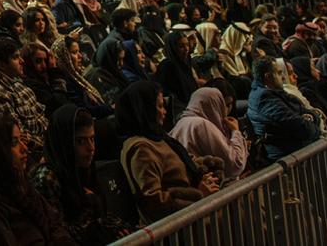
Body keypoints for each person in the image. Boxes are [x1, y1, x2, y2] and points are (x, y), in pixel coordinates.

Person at [0, 113, 71, 246]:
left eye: (21, 140)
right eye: (14, 143)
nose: (25, 149)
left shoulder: (14, 177)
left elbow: (53, 222)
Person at [116, 80, 220, 223]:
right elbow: (154, 203)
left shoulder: (159, 137)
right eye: (159, 106)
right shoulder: (140, 148)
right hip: (180, 225)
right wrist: (199, 194)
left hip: (194, 214)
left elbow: (185, 162)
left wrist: (203, 176)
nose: (164, 111)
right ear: (145, 110)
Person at [31, 106, 133, 245]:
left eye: (92, 139)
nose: (91, 148)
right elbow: (59, 235)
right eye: (80, 141)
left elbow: (101, 216)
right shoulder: (47, 178)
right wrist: (92, 209)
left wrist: (121, 228)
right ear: (65, 143)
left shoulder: (81, 167)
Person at [0, 37, 49, 152]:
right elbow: (21, 140)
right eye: (15, 58)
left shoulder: (13, 80)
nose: (22, 61)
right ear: (2, 65)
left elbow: (40, 114)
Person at [246, 56, 321, 160]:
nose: (284, 77)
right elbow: (302, 129)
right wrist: (315, 127)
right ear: (268, 77)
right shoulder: (264, 99)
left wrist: (312, 117)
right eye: (279, 73)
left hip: (298, 151)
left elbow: (304, 111)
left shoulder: (272, 92)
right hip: (290, 158)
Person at [168, 87, 248, 181]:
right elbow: (235, 165)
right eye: (223, 105)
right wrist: (236, 132)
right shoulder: (201, 125)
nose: (225, 111)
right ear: (214, 105)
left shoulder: (181, 123)